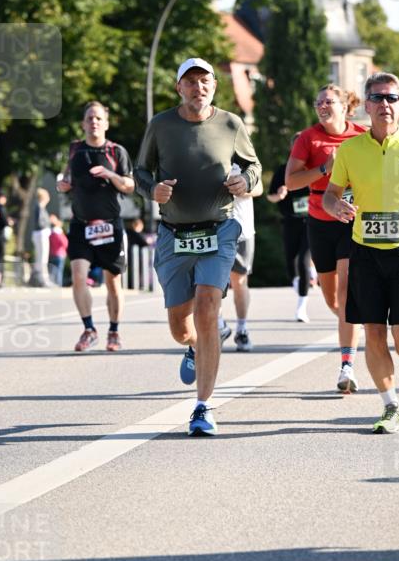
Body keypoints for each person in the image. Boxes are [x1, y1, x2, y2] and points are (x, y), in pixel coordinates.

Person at [134, 57, 262, 436]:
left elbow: (253, 166)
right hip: (174, 234)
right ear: (179, 88)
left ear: (213, 87)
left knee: (207, 305)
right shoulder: (161, 125)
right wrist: (150, 190)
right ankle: (193, 344)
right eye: (190, 82)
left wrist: (245, 182)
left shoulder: (230, 123)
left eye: (204, 81)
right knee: (180, 327)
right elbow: (140, 171)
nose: (198, 88)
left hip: (220, 230)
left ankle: (203, 407)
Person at [323, 72, 399, 434]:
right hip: (364, 250)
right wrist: (334, 207)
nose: (385, 105)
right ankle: (391, 406)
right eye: (377, 98)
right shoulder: (349, 150)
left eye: (392, 98)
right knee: (374, 334)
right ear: (366, 106)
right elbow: (332, 193)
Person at [286, 85, 367, 392]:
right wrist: (324, 167)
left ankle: (347, 366)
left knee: (346, 294)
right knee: (332, 299)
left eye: (328, 101)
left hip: (351, 220)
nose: (322, 106)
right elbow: (291, 182)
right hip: (320, 222)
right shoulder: (309, 138)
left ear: (345, 106)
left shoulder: (361, 135)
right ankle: (355, 326)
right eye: (318, 102)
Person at [57, 101, 135, 351]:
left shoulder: (116, 152)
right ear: (83, 123)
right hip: (81, 225)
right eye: (90, 118)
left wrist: (110, 175)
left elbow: (130, 185)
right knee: (79, 276)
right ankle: (89, 329)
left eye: (99, 118)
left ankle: (114, 331)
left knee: (113, 283)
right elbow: (67, 177)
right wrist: (63, 184)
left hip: (110, 226)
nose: (94, 122)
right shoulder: (75, 150)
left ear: (106, 123)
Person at [267, 134, 312, 322]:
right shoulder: (283, 171)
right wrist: (280, 195)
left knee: (303, 260)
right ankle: (298, 281)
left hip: (312, 221)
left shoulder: (314, 169)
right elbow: (270, 197)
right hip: (290, 221)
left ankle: (302, 306)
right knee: (290, 261)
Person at [221, 168, 264, 352]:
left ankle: (241, 328)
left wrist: (242, 187)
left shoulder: (244, 152)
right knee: (213, 282)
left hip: (242, 228)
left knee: (239, 281)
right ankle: (218, 325)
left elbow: (259, 188)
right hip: (215, 227)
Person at [31, 187, 51, 287]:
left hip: (39, 233)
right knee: (42, 257)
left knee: (41, 257)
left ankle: (40, 278)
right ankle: (43, 279)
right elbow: (40, 222)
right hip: (41, 233)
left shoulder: (40, 208)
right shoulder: (39, 207)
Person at [48, 214, 68, 286]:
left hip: (52, 254)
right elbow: (65, 243)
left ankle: (53, 283)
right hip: (60, 254)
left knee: (53, 271)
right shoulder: (58, 233)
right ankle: (58, 284)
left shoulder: (50, 233)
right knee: (59, 271)